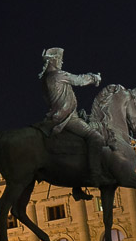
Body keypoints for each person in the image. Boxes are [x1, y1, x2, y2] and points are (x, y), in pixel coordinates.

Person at [39, 47, 106, 191]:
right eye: (60, 59)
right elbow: (79, 80)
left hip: (56, 117)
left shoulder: (44, 78)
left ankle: (77, 188)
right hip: (67, 118)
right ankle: (95, 175)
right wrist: (94, 77)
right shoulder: (57, 75)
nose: (61, 62)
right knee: (95, 137)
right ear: (53, 60)